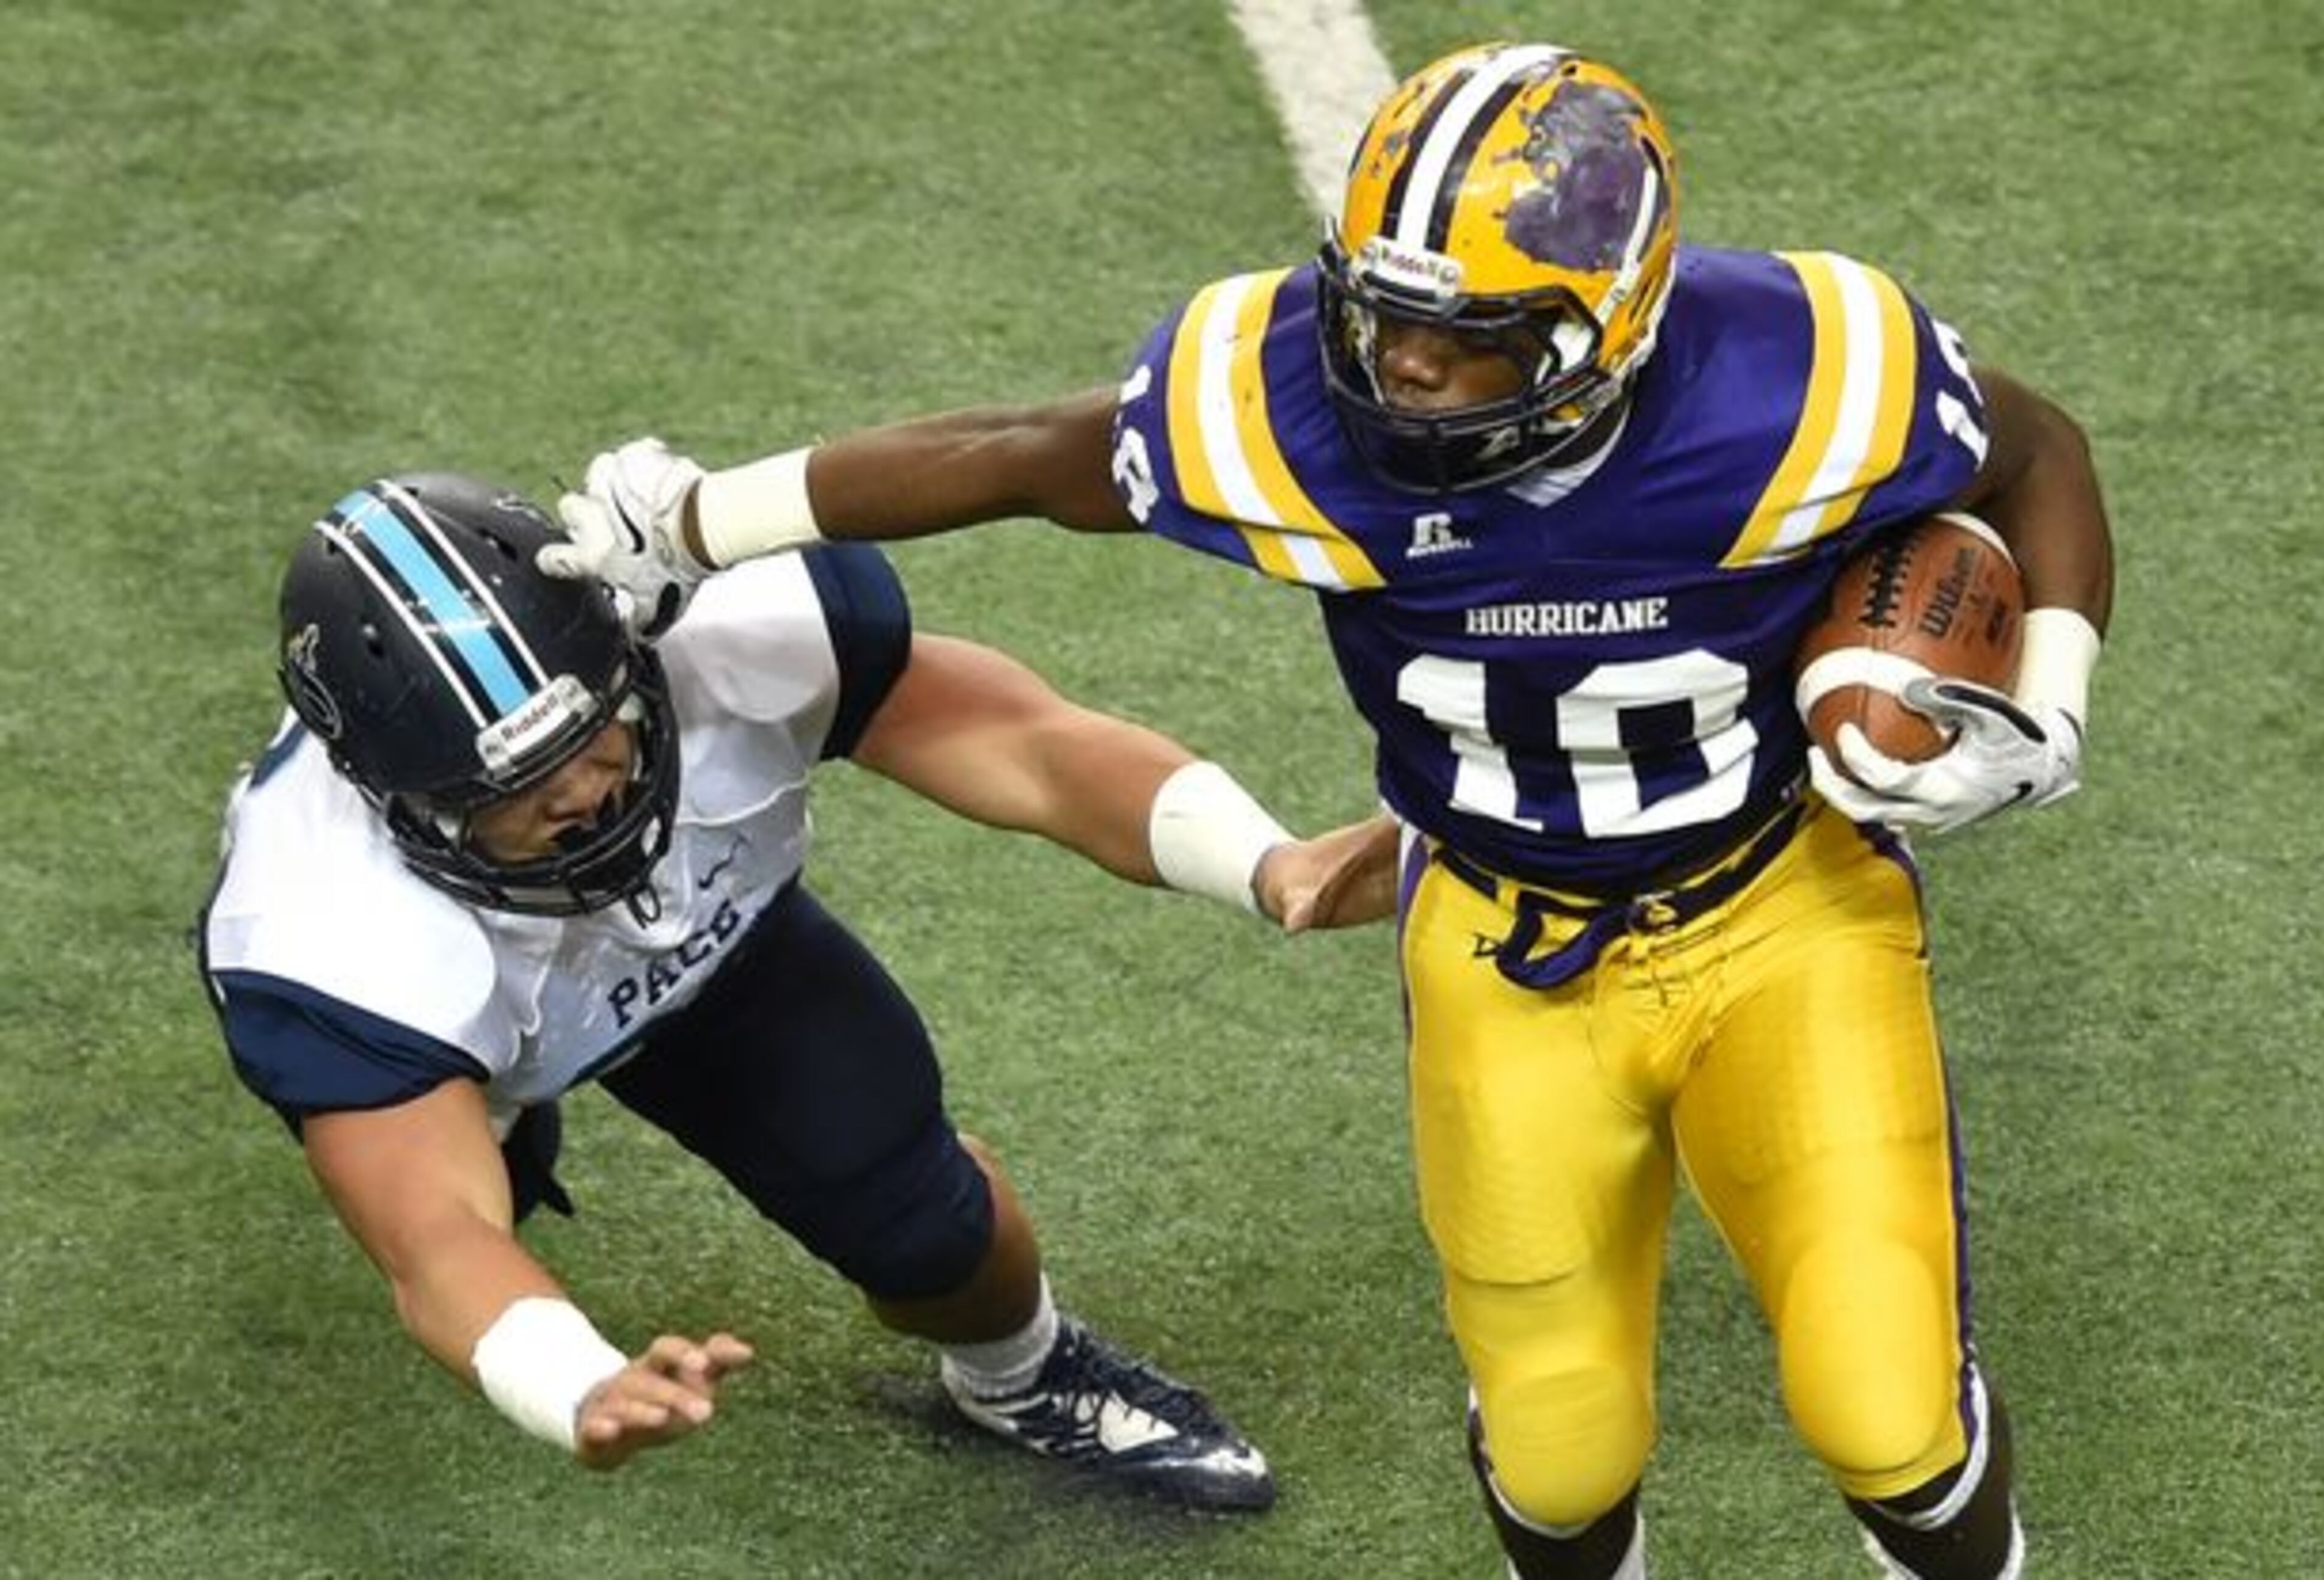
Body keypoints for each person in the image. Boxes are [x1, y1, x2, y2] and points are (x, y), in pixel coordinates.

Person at [546, 41, 2113, 1578]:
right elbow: (1013, 456)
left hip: (1781, 906)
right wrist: (696, 520)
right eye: (1380, 315)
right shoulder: (1281, 404)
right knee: (1559, 1448)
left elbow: (2037, 453)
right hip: (1503, 939)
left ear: (1613, 323)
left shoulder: (1808, 371)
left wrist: (2049, 694)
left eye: (1468, 338)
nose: (1403, 368)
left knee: (1882, 1406)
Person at [198, 471, 1392, 1507]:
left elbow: (1031, 745)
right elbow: (440, 1241)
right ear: (396, 801)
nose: (587, 796)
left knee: (922, 1214)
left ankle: (1020, 1378)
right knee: (484, 1187)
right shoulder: (330, 930)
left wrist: (1265, 861)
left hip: (713, 932)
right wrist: (577, 1382)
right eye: (514, 792)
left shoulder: (720, 631)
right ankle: (513, 1106)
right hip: (469, 1001)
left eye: (598, 733)